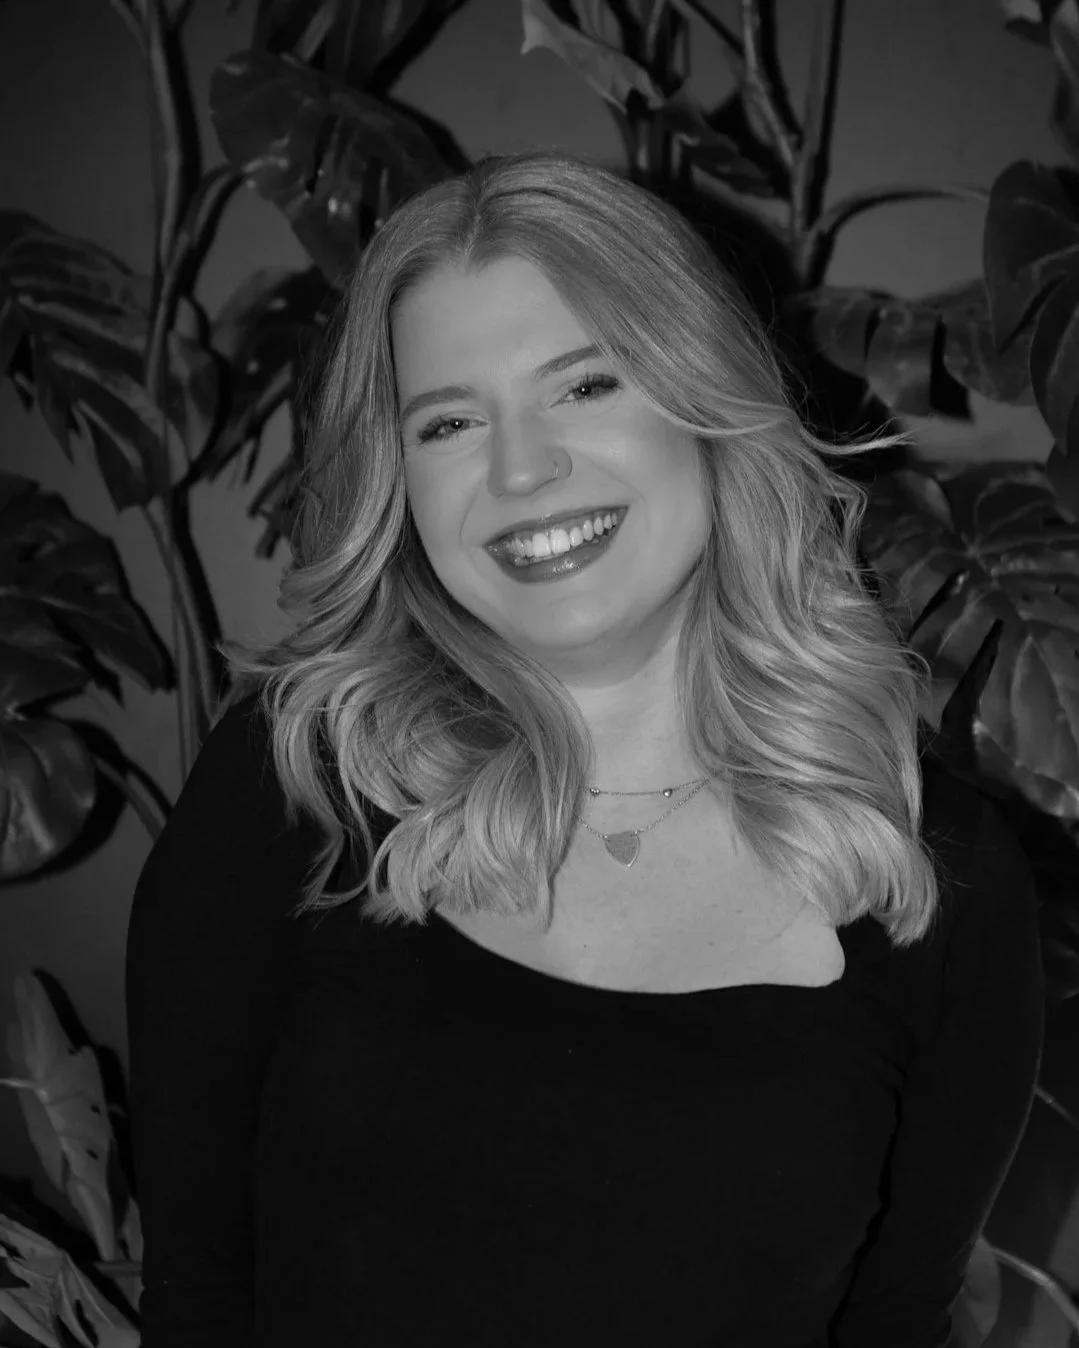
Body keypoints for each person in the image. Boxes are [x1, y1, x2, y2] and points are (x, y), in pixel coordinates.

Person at [125, 150, 1044, 1348]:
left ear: (706, 402)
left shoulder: (936, 879)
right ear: (398, 478)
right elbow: (196, 1291)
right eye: (449, 421)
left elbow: (897, 1323)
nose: (519, 470)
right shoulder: (296, 779)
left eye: (584, 385)